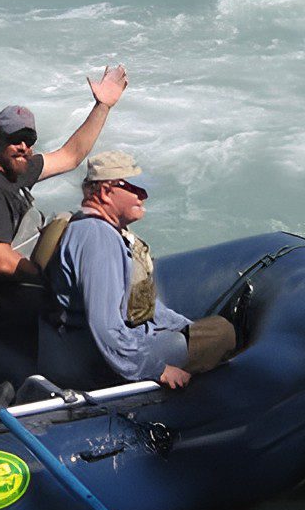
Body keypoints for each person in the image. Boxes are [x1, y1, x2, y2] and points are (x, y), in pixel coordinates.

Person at [0, 65, 129, 340]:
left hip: (17, 287)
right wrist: (55, 277)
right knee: (86, 311)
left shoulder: (14, 171)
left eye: (29, 140)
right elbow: (1, 262)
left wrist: (102, 106)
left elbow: (70, 155)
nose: (23, 147)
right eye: (14, 139)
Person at [38, 151, 235, 391]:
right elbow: (105, 329)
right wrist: (157, 369)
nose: (144, 195)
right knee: (222, 333)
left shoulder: (101, 231)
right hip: (92, 362)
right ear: (105, 192)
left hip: (88, 350)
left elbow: (141, 307)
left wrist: (186, 326)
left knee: (205, 329)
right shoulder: (97, 238)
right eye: (135, 189)